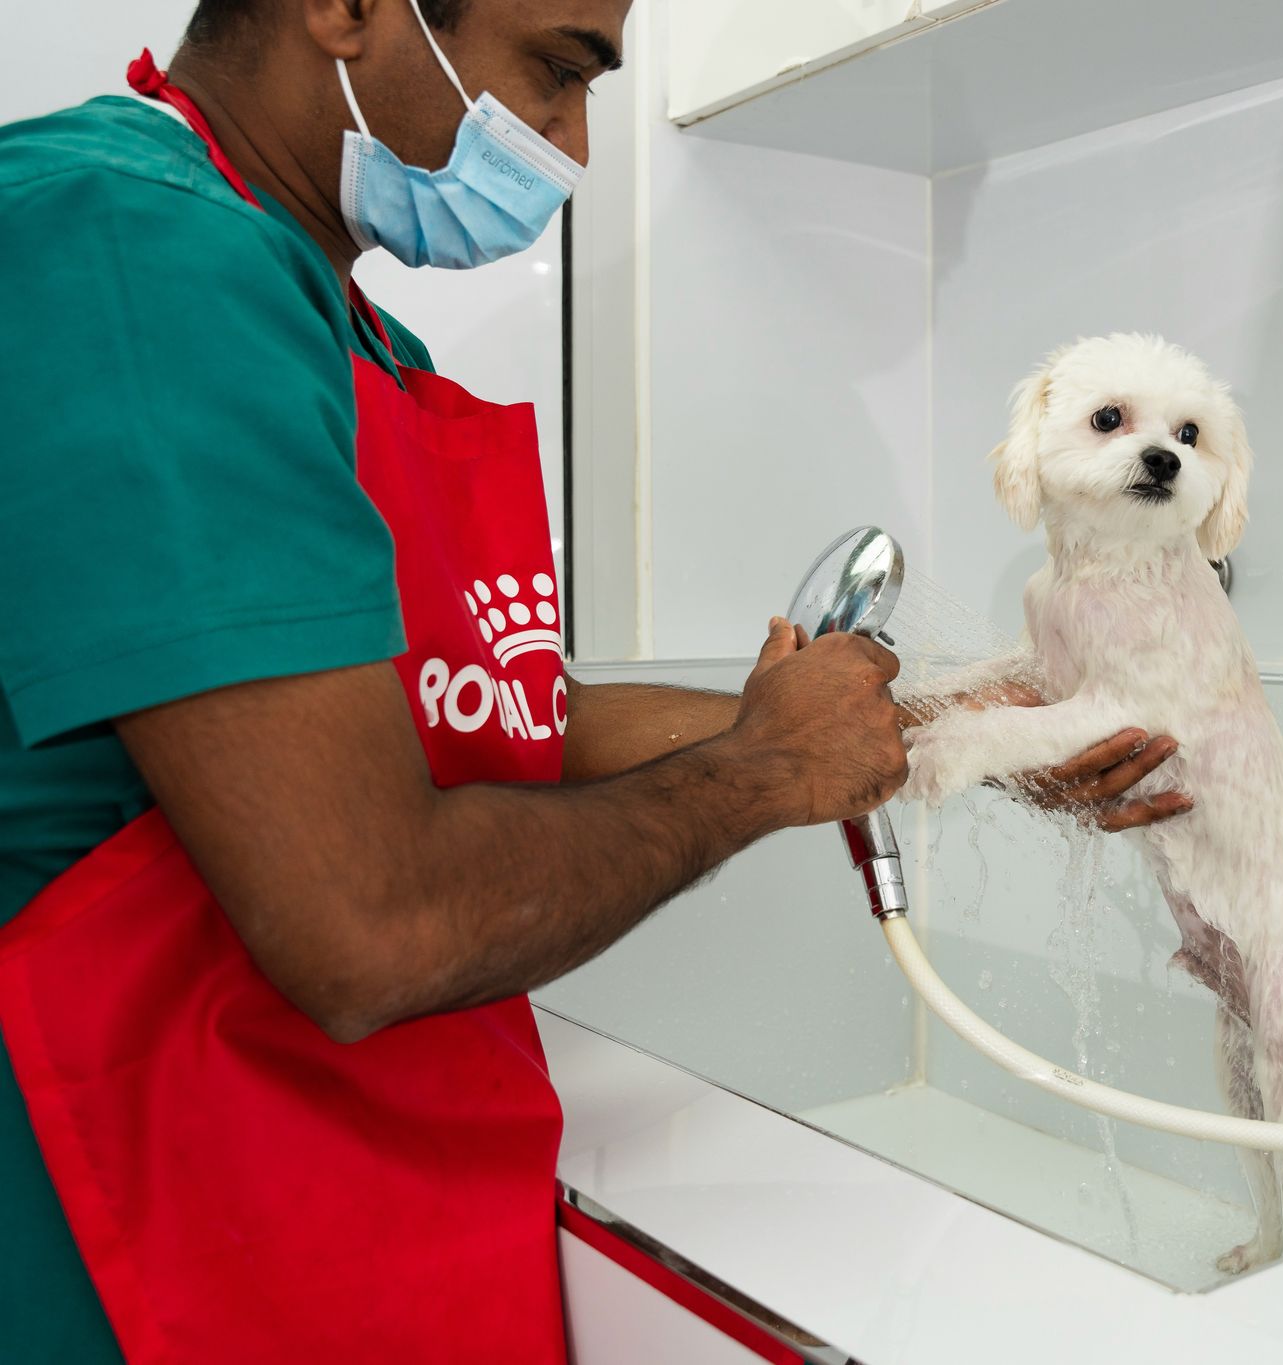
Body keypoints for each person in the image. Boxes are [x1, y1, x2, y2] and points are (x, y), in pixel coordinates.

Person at [0, 1, 1188, 1358]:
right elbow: (366, 922)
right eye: (557, 72)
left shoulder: (355, 340)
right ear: (341, 8)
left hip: (358, 1198)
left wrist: (927, 737)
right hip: (140, 1235)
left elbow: (508, 727)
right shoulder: (130, 248)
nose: (567, 145)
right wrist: (764, 773)